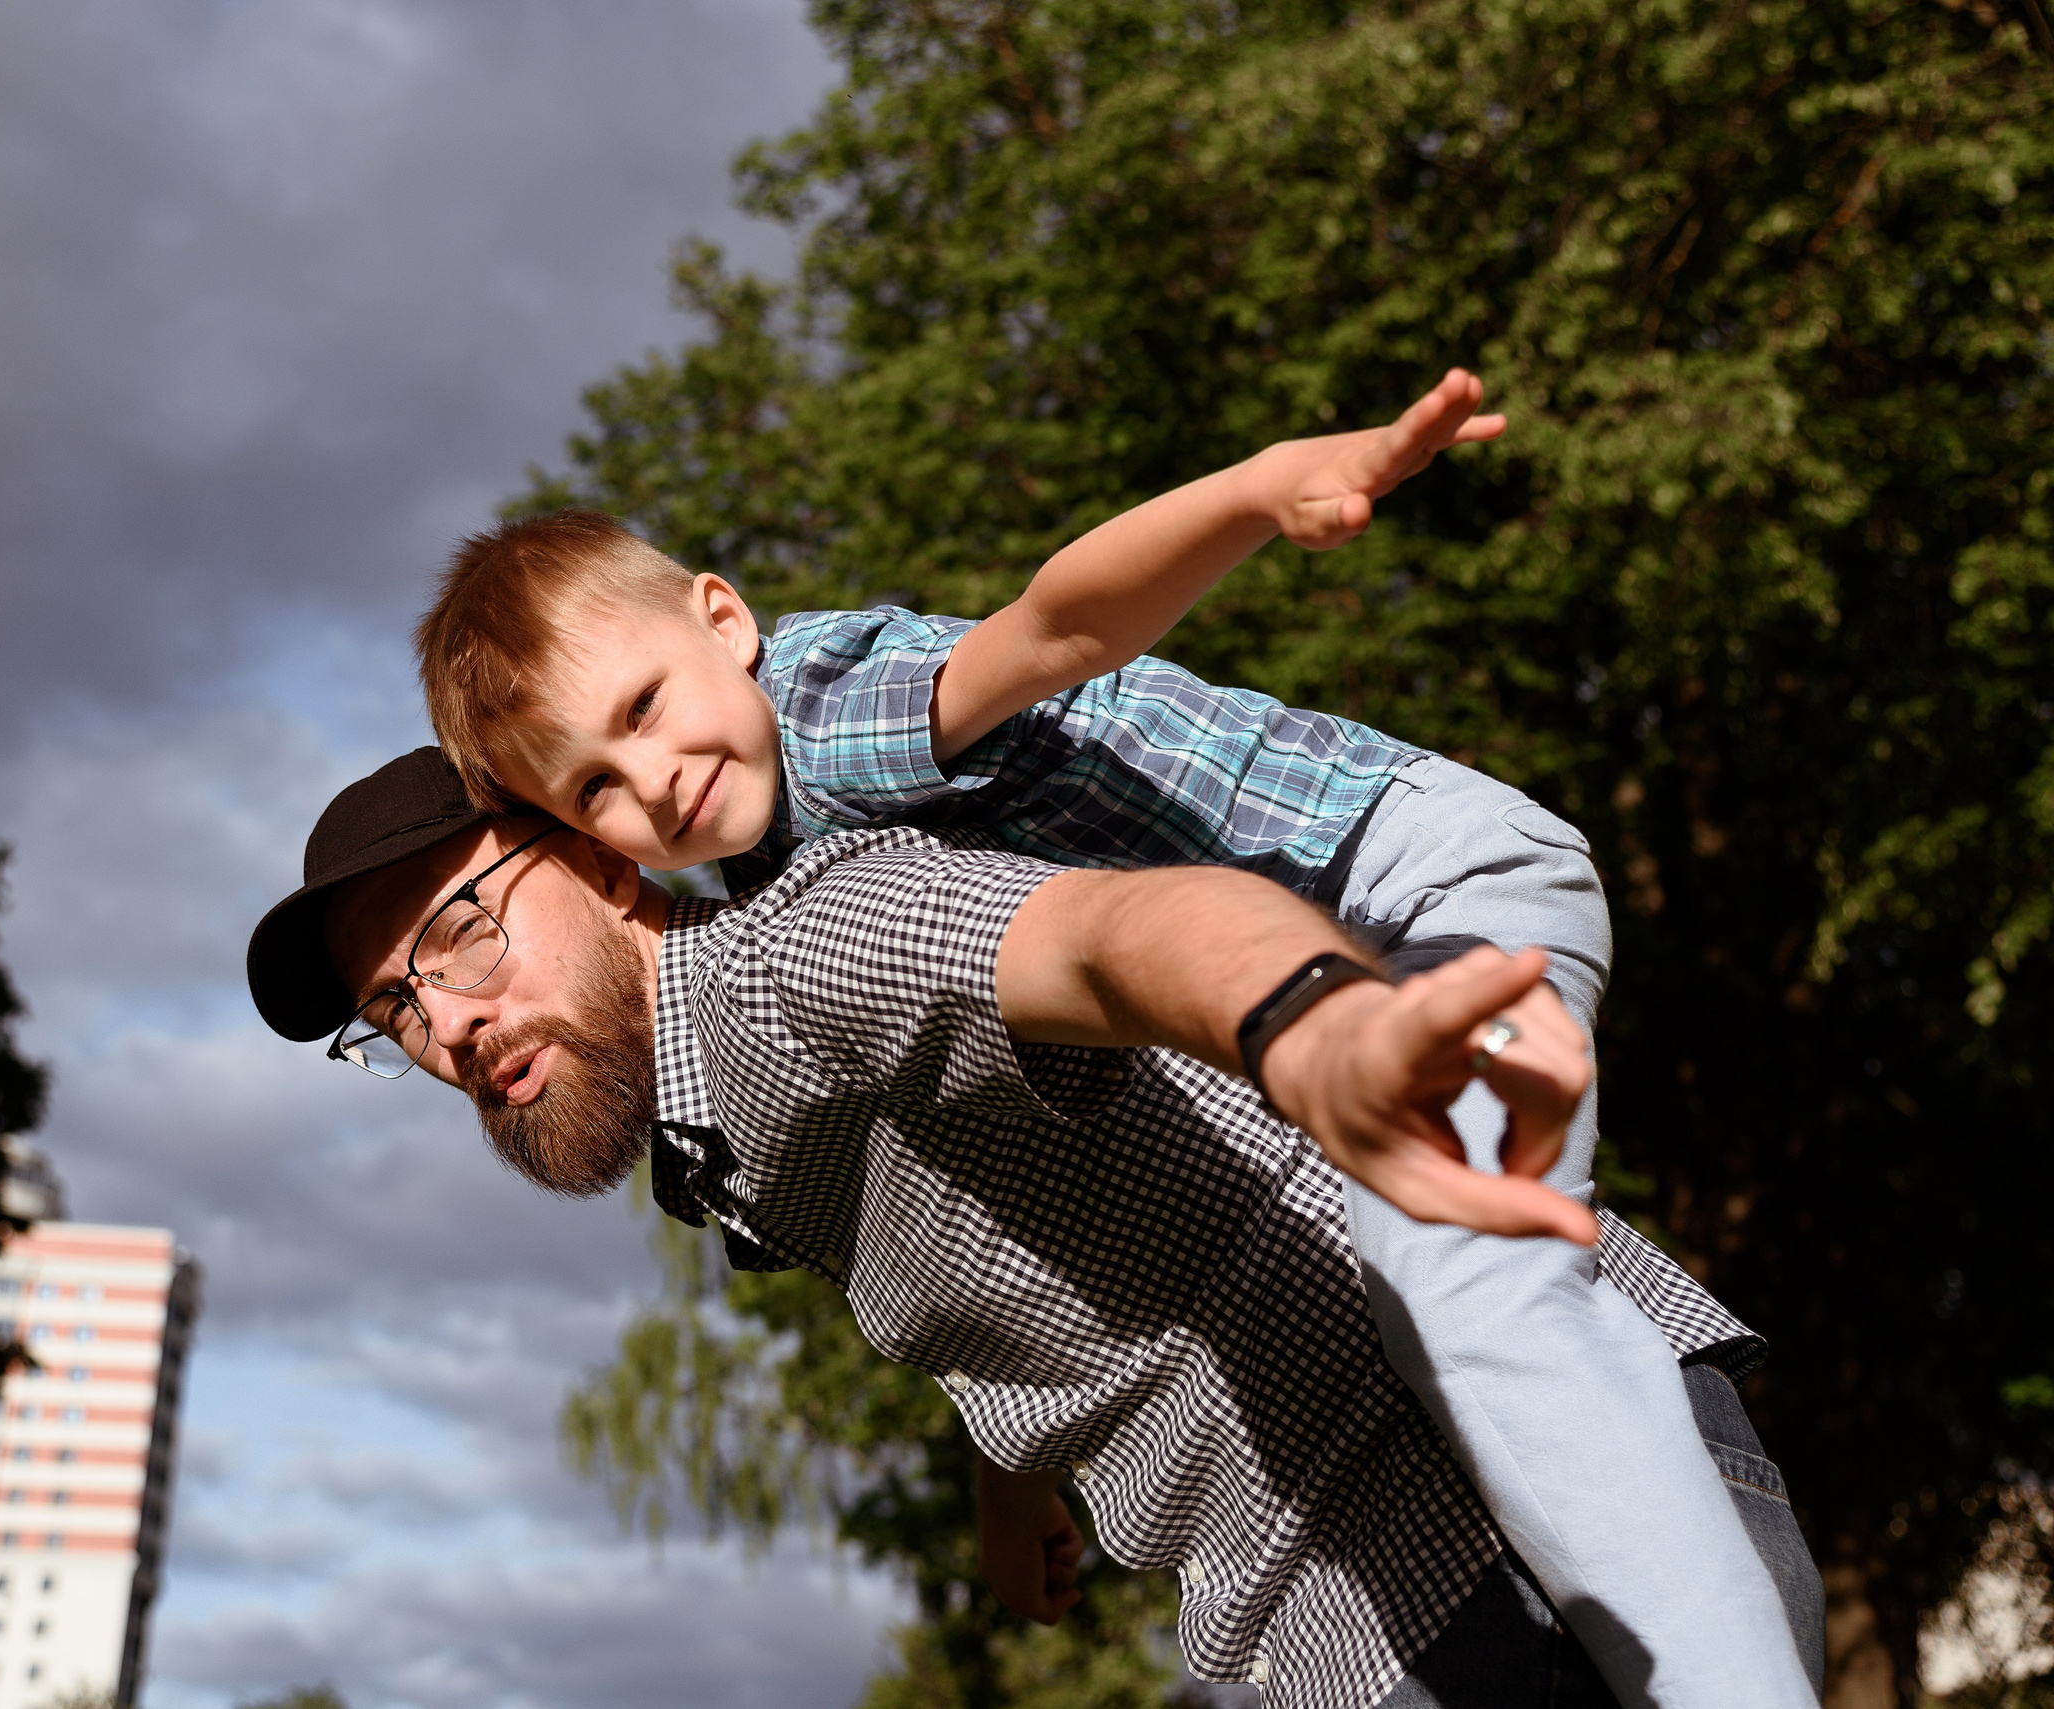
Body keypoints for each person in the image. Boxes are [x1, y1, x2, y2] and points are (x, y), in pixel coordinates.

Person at [404, 378, 1818, 1705]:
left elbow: (1063, 624)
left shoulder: (833, 719)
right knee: (1443, 1242)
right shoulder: (770, 914)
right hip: (1349, 952)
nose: (654, 778)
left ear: (725, 619)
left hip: (1420, 874)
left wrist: (1259, 493)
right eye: (597, 784)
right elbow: (988, 1216)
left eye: (645, 710)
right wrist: (1012, 1474)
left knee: (1450, 1256)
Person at [243, 749, 1825, 1708]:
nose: (443, 1020)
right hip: (1349, 1603)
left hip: (1478, 1512)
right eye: (393, 1007)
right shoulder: (720, 1132)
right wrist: (1014, 1476)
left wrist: (1319, 1028)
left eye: (459, 929)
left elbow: (1114, 935)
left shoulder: (804, 956)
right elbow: (1004, 1220)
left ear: (603, 861)